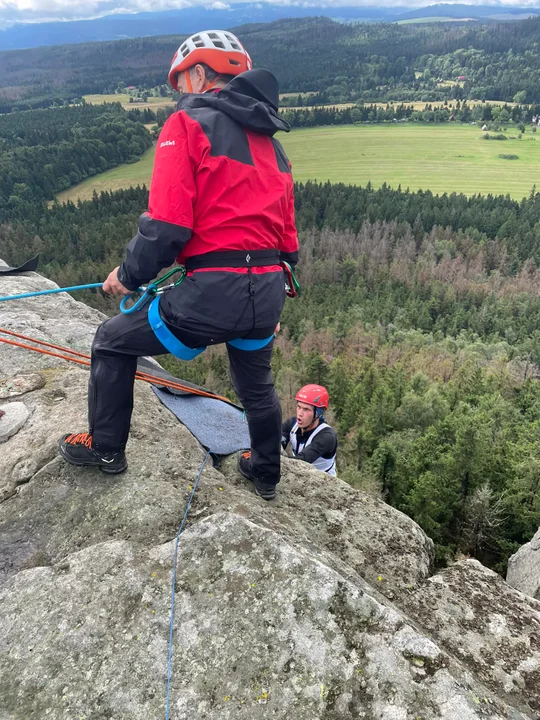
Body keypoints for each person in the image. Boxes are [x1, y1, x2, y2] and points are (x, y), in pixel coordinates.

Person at [59, 30, 298, 502]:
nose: (179, 91)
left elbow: (168, 225)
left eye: (181, 80)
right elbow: (287, 238)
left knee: (111, 343)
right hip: (269, 286)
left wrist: (127, 276)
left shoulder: (187, 123)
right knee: (256, 382)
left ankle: (106, 448)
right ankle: (266, 472)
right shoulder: (273, 143)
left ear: (200, 73)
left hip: (212, 290)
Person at [281, 384, 337, 475]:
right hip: (298, 475)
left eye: (306, 409)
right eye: (299, 407)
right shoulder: (291, 425)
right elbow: (276, 444)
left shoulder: (327, 436)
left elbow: (302, 460)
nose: (300, 413)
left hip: (322, 481)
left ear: (317, 413)